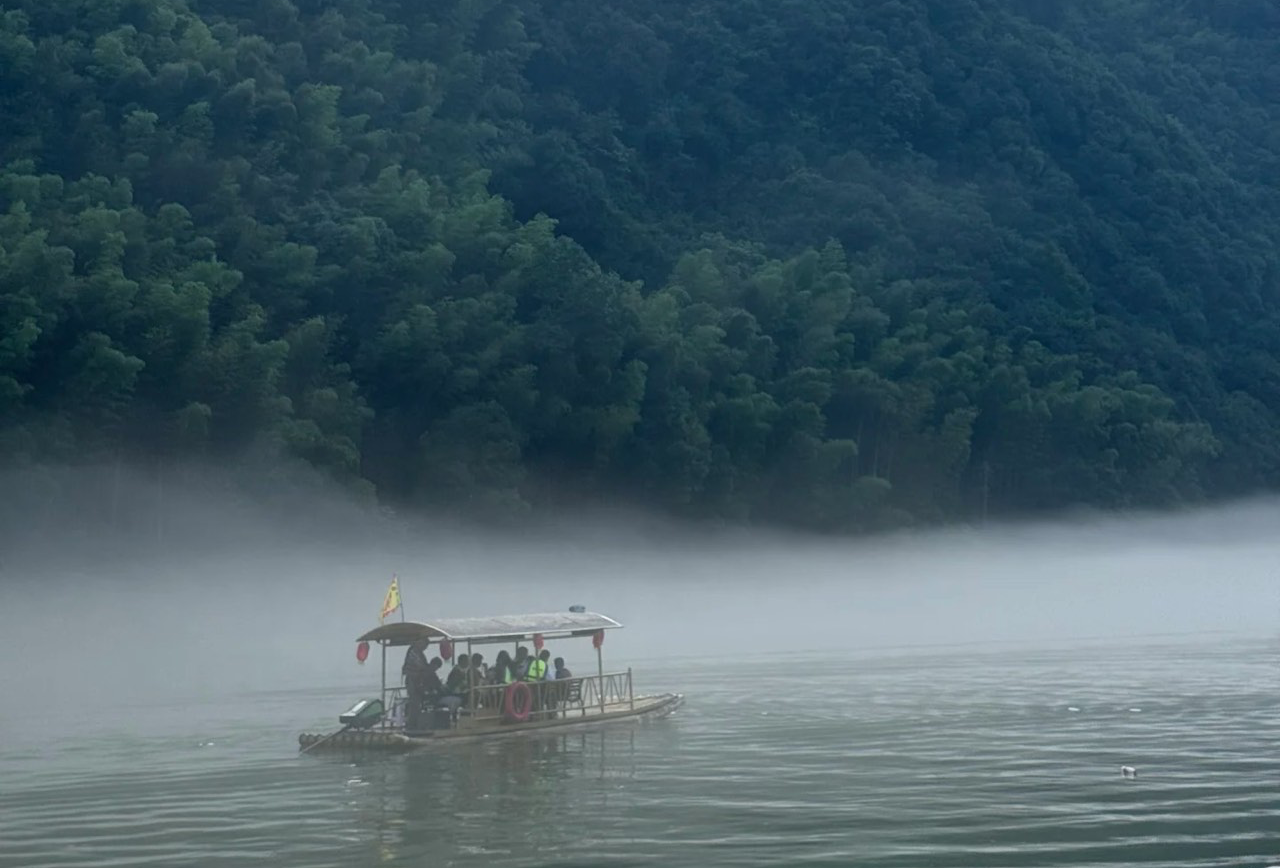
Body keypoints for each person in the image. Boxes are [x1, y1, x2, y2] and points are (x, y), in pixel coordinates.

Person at [401, 639, 430, 731]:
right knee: (414, 704)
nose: (425, 647)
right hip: (412, 681)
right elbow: (421, 666)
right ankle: (411, 726)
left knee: (417, 704)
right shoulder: (413, 652)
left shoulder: (419, 653)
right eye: (424, 644)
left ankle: (415, 724)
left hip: (417, 682)